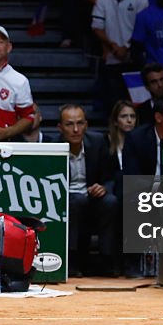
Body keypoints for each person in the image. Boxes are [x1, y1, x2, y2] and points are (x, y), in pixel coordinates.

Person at [58, 104, 121, 277]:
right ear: (60, 127)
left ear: (86, 125)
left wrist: (104, 187)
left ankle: (107, 259)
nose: (76, 129)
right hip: (65, 201)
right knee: (78, 202)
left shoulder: (99, 141)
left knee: (111, 202)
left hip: (92, 197)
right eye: (69, 124)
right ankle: (72, 261)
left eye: (80, 123)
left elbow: (112, 175)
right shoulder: (52, 146)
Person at [108, 100, 137, 169]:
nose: (129, 120)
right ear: (115, 121)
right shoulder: (105, 144)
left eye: (132, 116)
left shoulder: (142, 144)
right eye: (124, 116)